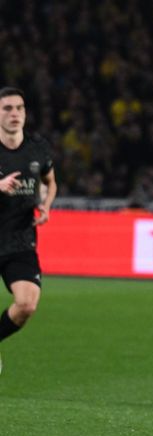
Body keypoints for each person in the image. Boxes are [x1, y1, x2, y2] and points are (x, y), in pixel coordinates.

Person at [0, 87, 58, 375]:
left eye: (19, 108)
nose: (14, 114)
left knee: (26, 304)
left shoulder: (37, 148)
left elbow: (50, 181)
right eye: (7, 108)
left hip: (20, 241)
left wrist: (45, 205)